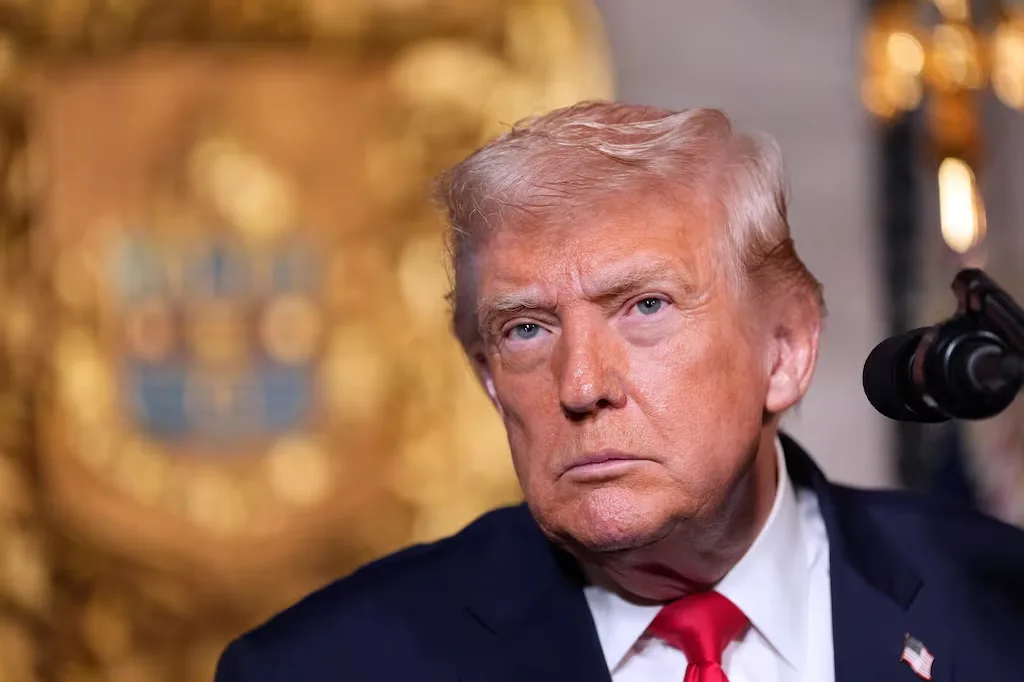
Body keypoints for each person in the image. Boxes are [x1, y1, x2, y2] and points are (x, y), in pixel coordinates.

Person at [214, 101, 1024, 682]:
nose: (581, 386)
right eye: (526, 328)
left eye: (644, 307)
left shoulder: (998, 605)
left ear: (784, 350)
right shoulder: (322, 666)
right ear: (490, 382)